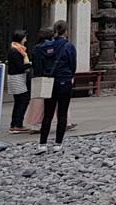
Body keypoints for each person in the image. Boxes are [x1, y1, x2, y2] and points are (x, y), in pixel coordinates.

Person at [32, 20, 76, 153]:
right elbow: (72, 64)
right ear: (66, 31)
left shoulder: (45, 47)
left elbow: (39, 63)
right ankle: (58, 143)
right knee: (62, 113)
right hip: (64, 80)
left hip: (49, 81)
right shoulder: (68, 46)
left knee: (48, 113)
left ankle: (42, 143)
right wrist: (70, 75)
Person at [6, 30, 32, 135]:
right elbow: (19, 66)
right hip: (17, 78)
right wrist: (30, 64)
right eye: (24, 37)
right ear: (20, 38)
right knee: (23, 100)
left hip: (17, 78)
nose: (26, 40)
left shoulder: (17, 49)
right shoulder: (15, 51)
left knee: (19, 101)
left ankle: (15, 124)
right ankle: (17, 124)